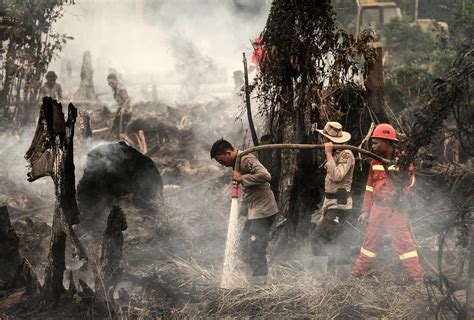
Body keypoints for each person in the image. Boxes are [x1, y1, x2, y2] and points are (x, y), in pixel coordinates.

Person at [352, 123, 422, 281]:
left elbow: (410, 183)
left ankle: (416, 279)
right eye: (373, 142)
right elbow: (369, 188)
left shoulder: (402, 161)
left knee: (405, 246)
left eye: (376, 142)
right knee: (369, 245)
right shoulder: (374, 162)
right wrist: (365, 211)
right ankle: (357, 275)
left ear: (387, 143)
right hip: (377, 209)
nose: (373, 145)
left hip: (395, 210)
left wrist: (400, 171)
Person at [210, 139, 278, 284]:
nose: (223, 165)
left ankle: (260, 287)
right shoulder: (236, 163)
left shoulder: (246, 158)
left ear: (228, 153)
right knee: (244, 245)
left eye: (222, 161)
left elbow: (266, 176)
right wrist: (240, 210)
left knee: (256, 248)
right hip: (255, 211)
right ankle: (251, 282)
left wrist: (242, 178)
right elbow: (248, 191)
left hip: (264, 211)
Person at [310, 122, 354, 271]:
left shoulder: (346, 154)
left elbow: (337, 176)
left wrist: (328, 154)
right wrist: (324, 211)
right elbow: (330, 189)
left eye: (325, 138)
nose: (323, 141)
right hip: (332, 206)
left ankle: (320, 279)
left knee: (316, 238)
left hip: (340, 207)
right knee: (341, 241)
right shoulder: (335, 155)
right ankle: (343, 281)